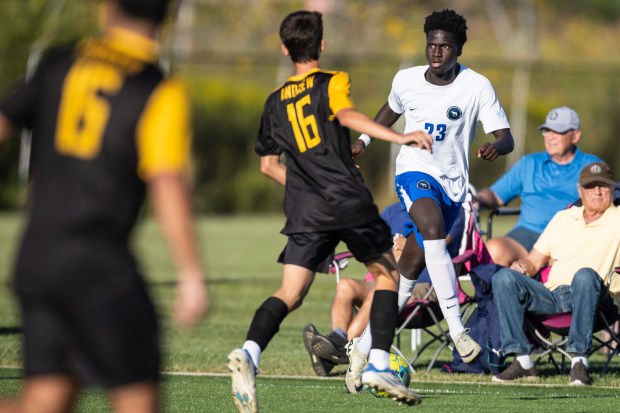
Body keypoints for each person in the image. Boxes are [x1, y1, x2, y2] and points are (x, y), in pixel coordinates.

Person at [0, 1, 208, 412]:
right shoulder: (157, 87)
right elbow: (166, 180)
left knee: (45, 400)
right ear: (166, 17)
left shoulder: (61, 62)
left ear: (107, 9)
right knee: (137, 398)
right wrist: (191, 273)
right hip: (97, 264)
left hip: (37, 255)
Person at [227, 11, 431, 412]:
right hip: (345, 199)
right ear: (321, 45)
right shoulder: (332, 81)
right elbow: (348, 115)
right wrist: (399, 134)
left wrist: (305, 186)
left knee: (290, 292)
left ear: (285, 50)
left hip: (306, 209)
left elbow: (268, 165)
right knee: (387, 274)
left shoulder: (273, 102)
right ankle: (376, 365)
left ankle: (249, 352)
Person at [347, 8, 514, 392]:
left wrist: (496, 147)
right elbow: (388, 113)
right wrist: (363, 142)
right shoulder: (406, 80)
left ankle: (364, 347)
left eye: (445, 46)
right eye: (432, 44)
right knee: (431, 227)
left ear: (458, 49)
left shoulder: (477, 86)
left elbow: (506, 136)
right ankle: (458, 331)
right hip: (414, 172)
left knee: (407, 274)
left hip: (454, 186)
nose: (436, 52)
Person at [491, 162, 620, 385]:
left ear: (612, 188)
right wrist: (521, 266)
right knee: (503, 278)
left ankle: (579, 362)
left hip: (598, 300)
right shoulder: (564, 218)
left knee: (585, 276)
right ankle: (523, 361)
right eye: (591, 186)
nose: (597, 192)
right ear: (581, 190)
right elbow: (533, 260)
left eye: (603, 186)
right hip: (553, 297)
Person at [303, 203, 465, 376]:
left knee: (380, 294)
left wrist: (404, 248)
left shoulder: (449, 206)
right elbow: (373, 243)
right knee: (346, 285)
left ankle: (339, 350)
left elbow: (438, 244)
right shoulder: (391, 211)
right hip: (389, 280)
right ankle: (337, 341)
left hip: (426, 288)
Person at [475, 106, 602, 266]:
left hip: (570, 237)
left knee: (568, 261)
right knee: (494, 249)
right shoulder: (529, 163)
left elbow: (605, 204)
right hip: (526, 235)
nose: (550, 137)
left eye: (558, 131)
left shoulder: (592, 166)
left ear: (575, 136)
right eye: (547, 131)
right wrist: (474, 200)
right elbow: (494, 195)